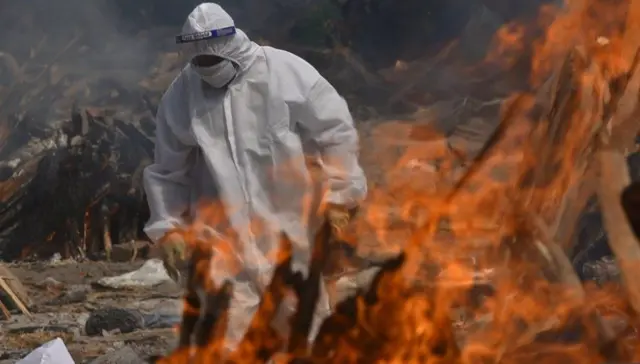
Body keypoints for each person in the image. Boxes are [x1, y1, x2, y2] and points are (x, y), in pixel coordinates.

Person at [143, 2, 367, 350]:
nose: (206, 67)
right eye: (198, 60)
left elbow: (335, 130)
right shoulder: (183, 93)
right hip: (224, 243)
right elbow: (169, 169)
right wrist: (169, 227)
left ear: (230, 45)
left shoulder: (283, 72)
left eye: (212, 60)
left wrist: (341, 196)